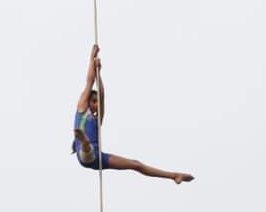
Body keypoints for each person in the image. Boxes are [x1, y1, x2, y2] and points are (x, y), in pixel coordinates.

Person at [72, 45, 194, 184]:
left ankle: (174, 176)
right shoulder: (82, 107)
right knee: (87, 147)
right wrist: (92, 58)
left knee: (136, 164)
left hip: (98, 157)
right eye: (93, 101)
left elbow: (103, 95)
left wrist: (99, 73)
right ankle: (84, 140)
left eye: (97, 102)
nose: (96, 104)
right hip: (85, 154)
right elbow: (89, 81)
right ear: (87, 101)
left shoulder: (97, 119)